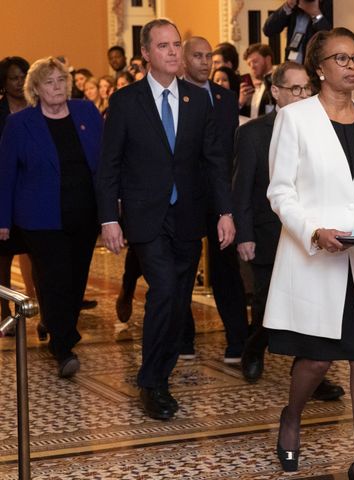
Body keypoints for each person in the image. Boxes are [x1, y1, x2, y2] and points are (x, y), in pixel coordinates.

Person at [265, 28, 354, 479]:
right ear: (319, 67)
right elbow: (280, 191)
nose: (352, 65)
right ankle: (292, 414)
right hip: (314, 258)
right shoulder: (296, 118)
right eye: (341, 58)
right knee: (318, 359)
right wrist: (313, 230)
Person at [96, 19, 235, 420]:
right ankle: (151, 381)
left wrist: (225, 212)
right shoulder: (125, 102)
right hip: (145, 217)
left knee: (176, 301)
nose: (173, 52)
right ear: (146, 53)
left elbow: (213, 162)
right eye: (164, 46)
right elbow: (109, 166)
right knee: (165, 288)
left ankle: (160, 373)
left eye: (176, 45)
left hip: (189, 216)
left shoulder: (197, 99)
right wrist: (109, 218)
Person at [233, 60, 344, 401]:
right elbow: (242, 189)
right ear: (276, 92)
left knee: (309, 308)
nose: (302, 95)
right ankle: (253, 349)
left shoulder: (326, 129)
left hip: (311, 235)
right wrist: (245, 234)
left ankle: (311, 376)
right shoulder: (252, 133)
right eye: (294, 89)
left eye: (306, 89)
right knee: (268, 303)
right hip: (268, 234)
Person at [0, 57, 103, 377]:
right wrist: (3, 220)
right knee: (55, 277)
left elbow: (105, 162)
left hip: (84, 213)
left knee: (76, 279)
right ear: (35, 89)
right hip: (40, 217)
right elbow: (6, 173)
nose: (57, 87)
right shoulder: (20, 124)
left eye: (61, 80)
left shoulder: (86, 113)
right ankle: (63, 344)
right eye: (49, 82)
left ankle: (57, 324)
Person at [178, 35, 247, 363]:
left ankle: (238, 339)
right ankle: (183, 338)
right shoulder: (174, 96)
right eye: (198, 56)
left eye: (209, 56)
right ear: (183, 60)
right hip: (186, 196)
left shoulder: (225, 97)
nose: (205, 62)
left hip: (221, 195)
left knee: (226, 268)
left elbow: (228, 152)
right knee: (185, 267)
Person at [0, 56, 35, 333]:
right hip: (4, 191)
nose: (19, 81)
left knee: (41, 256)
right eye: (13, 77)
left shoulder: (38, 108)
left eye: (23, 75)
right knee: (3, 258)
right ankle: (5, 313)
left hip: (34, 190)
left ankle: (44, 311)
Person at [263, 0, 333, 63]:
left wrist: (316, 14)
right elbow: (268, 30)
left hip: (313, 68)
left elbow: (332, 38)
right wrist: (288, 5)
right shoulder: (294, 7)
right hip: (291, 66)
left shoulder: (330, 5)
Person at [239, 43, 274, 121]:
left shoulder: (278, 82)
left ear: (268, 59)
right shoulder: (252, 87)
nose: (252, 66)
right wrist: (242, 102)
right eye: (249, 64)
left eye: (255, 62)